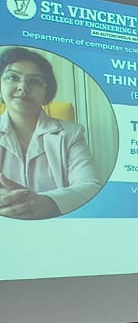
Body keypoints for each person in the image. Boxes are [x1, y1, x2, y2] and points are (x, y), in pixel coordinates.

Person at [0, 47, 102, 219]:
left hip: (56, 225)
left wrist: (48, 202)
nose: (23, 87)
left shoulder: (71, 134)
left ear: (47, 90)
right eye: (12, 77)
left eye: (34, 81)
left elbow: (90, 186)